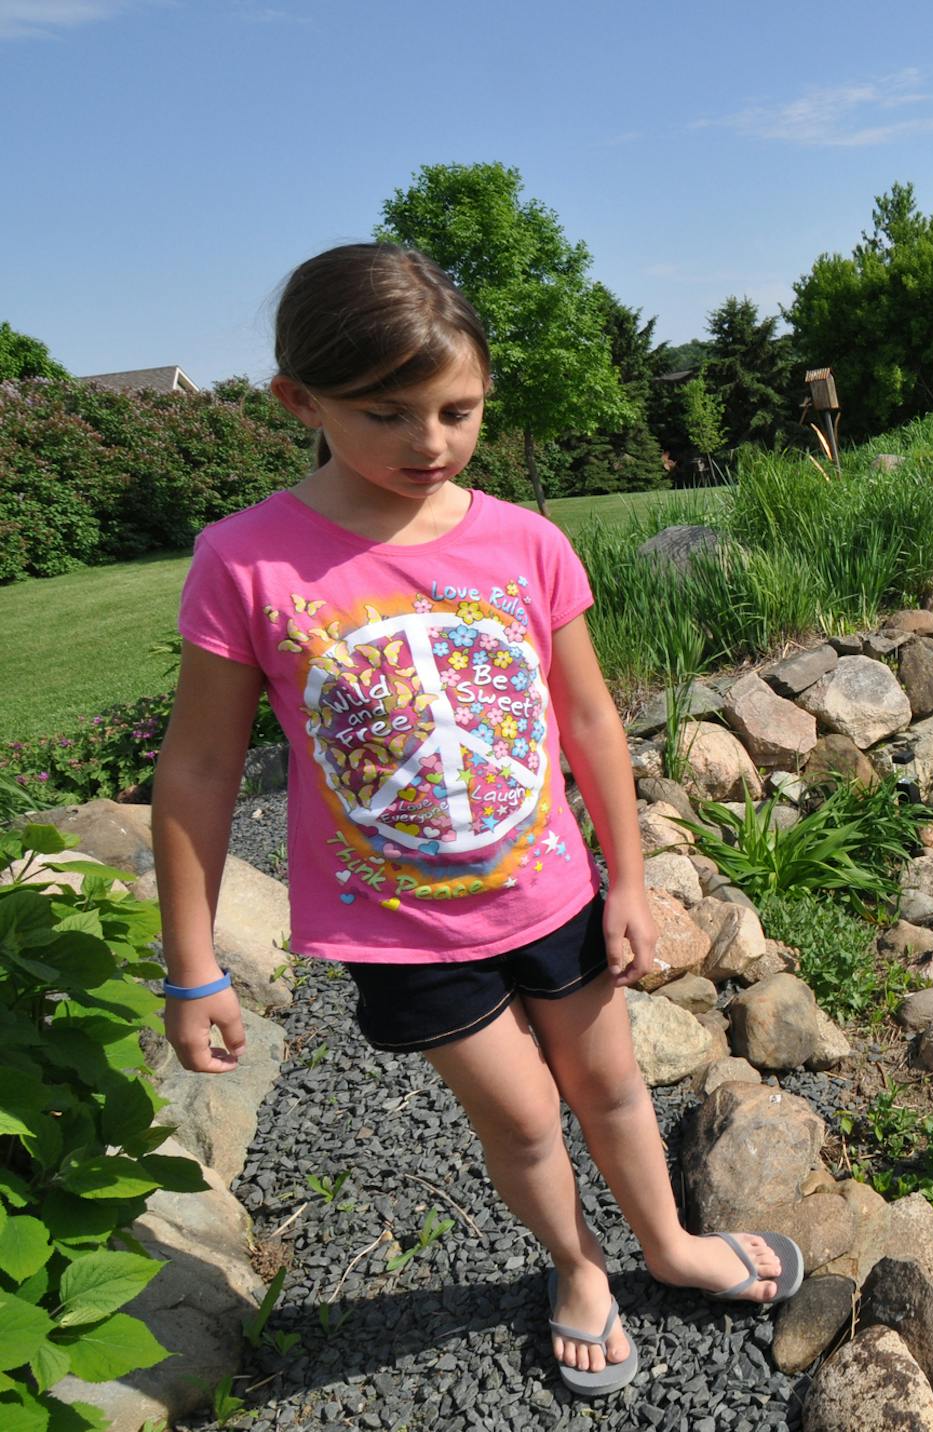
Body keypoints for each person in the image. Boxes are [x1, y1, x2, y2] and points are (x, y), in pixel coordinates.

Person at [150, 243, 800, 1399]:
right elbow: (200, 768)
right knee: (525, 1119)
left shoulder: (525, 542)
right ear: (298, 401)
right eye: (386, 412)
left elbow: (591, 720)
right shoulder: (243, 562)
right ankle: (577, 1262)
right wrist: (194, 964)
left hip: (552, 892)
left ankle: (671, 1244)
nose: (430, 442)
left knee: (609, 1087)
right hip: (406, 933)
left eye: (458, 409)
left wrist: (630, 879)